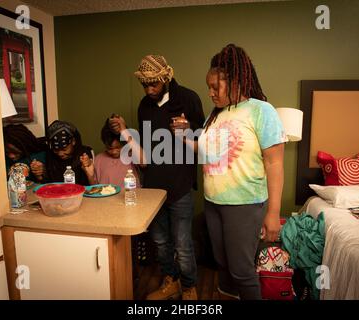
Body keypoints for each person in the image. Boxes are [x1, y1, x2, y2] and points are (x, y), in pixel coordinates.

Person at [180, 44, 287, 300]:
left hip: (245, 204)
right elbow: (207, 153)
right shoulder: (214, 115)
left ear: (237, 81)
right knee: (223, 265)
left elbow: (275, 164)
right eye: (209, 87)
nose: (210, 93)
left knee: (241, 270)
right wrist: (185, 137)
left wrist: (273, 213)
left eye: (216, 87)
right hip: (213, 202)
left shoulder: (262, 111)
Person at [109, 55, 205, 300]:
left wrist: (188, 128)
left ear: (165, 78)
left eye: (154, 84)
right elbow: (145, 148)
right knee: (161, 242)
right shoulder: (144, 105)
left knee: (183, 244)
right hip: (153, 186)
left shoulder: (189, 98)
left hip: (180, 184)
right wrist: (124, 131)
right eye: (145, 85)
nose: (149, 90)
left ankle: (189, 286)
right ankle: (170, 281)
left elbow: (205, 140)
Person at [93, 117, 142, 188]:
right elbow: (95, 188)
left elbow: (144, 163)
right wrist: (90, 174)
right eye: (109, 148)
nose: (114, 152)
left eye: (118, 147)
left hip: (130, 197)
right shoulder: (99, 159)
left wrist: (125, 132)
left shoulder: (132, 155)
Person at [45, 120, 95, 186]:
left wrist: (87, 167)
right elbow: (50, 184)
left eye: (64, 149)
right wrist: (42, 174)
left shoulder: (85, 153)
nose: (60, 154)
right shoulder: (50, 155)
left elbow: (93, 185)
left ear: (73, 141)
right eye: (56, 150)